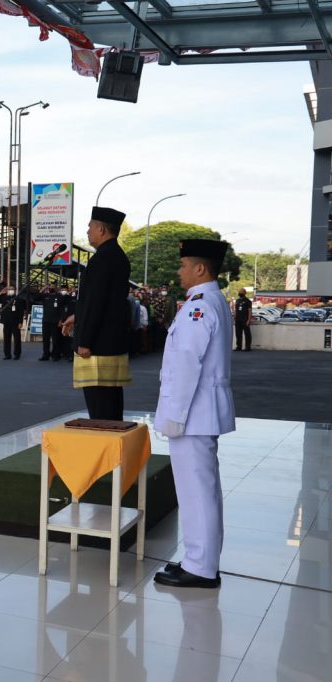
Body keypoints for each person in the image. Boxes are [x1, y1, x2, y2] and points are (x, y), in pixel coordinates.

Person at [153, 239, 235, 589]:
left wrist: (173, 416)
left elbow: (186, 364)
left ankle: (201, 567)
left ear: (200, 269)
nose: (179, 271)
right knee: (200, 489)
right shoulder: (208, 301)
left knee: (195, 491)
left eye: (184, 265)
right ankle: (198, 560)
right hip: (199, 412)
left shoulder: (199, 306)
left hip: (192, 413)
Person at [61, 206, 132, 420]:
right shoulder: (117, 256)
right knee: (110, 403)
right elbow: (103, 301)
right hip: (109, 341)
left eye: (90, 226)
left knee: (101, 409)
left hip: (97, 345)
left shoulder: (102, 258)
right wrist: (77, 316)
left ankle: (106, 451)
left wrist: (85, 340)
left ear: (101, 229)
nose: (87, 231)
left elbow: (96, 302)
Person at [0, 286, 25, 360]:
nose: (11, 291)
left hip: (15, 322)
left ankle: (17, 354)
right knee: (6, 339)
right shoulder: (4, 298)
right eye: (9, 289)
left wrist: (20, 322)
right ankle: (7, 354)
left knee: (17, 339)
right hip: (6, 322)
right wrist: (2, 291)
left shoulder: (18, 299)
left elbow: (21, 312)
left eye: (12, 289)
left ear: (15, 291)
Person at [39, 286, 64, 362]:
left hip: (56, 322)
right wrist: (43, 289)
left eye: (53, 286)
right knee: (45, 339)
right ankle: (45, 354)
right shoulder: (45, 296)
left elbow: (62, 309)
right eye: (50, 286)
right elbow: (35, 297)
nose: (51, 287)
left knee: (55, 339)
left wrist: (61, 320)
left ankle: (55, 355)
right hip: (46, 321)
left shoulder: (59, 296)